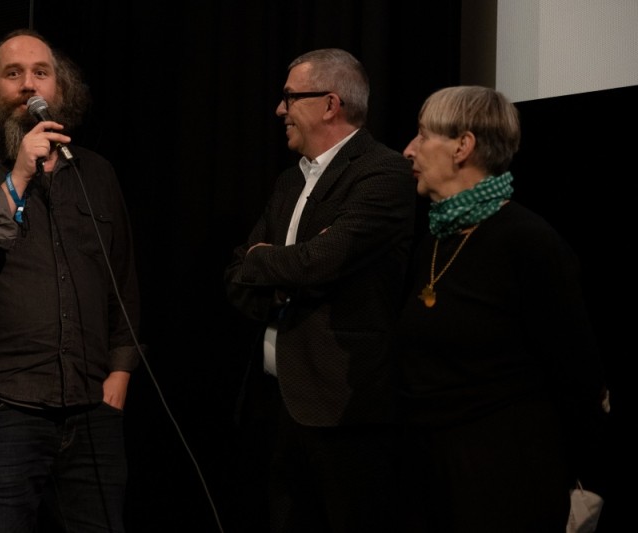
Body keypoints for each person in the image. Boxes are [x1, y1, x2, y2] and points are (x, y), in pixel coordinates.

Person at [0, 29, 141, 533]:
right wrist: (18, 177)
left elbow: (122, 278)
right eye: (13, 74)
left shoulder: (97, 172)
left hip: (92, 409)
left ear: (61, 92)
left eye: (41, 73)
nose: (29, 85)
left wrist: (121, 370)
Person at [396, 85, 609, 533]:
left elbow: (578, 376)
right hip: (432, 471)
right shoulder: (435, 239)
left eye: (421, 135)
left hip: (506, 478)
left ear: (463, 146)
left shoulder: (529, 242)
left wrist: (587, 482)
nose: (408, 150)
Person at [223, 48, 416, 532]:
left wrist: (265, 261)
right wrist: (278, 270)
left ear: (330, 104)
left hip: (341, 410)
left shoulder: (382, 172)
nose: (279, 110)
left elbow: (320, 262)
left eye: (290, 97)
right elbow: (236, 272)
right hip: (275, 401)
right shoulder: (290, 180)